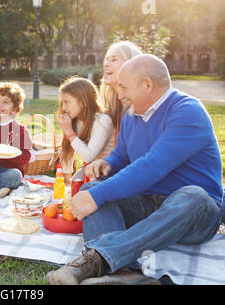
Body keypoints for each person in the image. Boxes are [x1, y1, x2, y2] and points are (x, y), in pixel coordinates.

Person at [46, 54, 223, 285]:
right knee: (94, 187)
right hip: (148, 204)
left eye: (123, 87)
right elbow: (122, 154)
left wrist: (96, 195)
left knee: (194, 196)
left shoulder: (188, 111)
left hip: (196, 215)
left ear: (147, 84)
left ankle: (96, 259)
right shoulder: (132, 113)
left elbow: (152, 166)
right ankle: (126, 273)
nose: (119, 95)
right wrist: (108, 163)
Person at [57, 76, 115, 184]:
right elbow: (67, 151)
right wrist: (66, 181)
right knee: (75, 183)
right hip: (90, 169)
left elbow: (89, 156)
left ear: (83, 102)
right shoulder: (76, 120)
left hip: (107, 171)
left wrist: (70, 133)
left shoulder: (103, 121)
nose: (63, 108)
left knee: (83, 188)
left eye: (67, 102)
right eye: (62, 103)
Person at [99, 41, 142, 140]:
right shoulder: (114, 107)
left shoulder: (142, 108)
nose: (106, 64)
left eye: (114, 60)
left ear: (130, 64)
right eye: (106, 59)